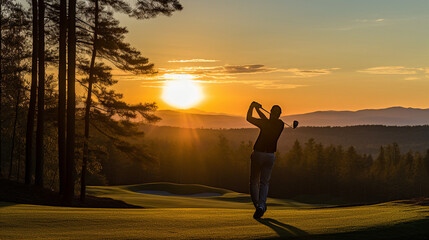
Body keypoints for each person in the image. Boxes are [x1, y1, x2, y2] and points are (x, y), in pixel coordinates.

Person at [246, 101, 284, 219]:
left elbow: (249, 118)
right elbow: (267, 121)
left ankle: (258, 206)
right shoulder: (280, 124)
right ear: (279, 115)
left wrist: (252, 106)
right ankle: (261, 206)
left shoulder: (265, 123)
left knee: (254, 181)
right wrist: (259, 110)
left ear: (271, 112)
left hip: (258, 154)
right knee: (264, 183)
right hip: (270, 156)